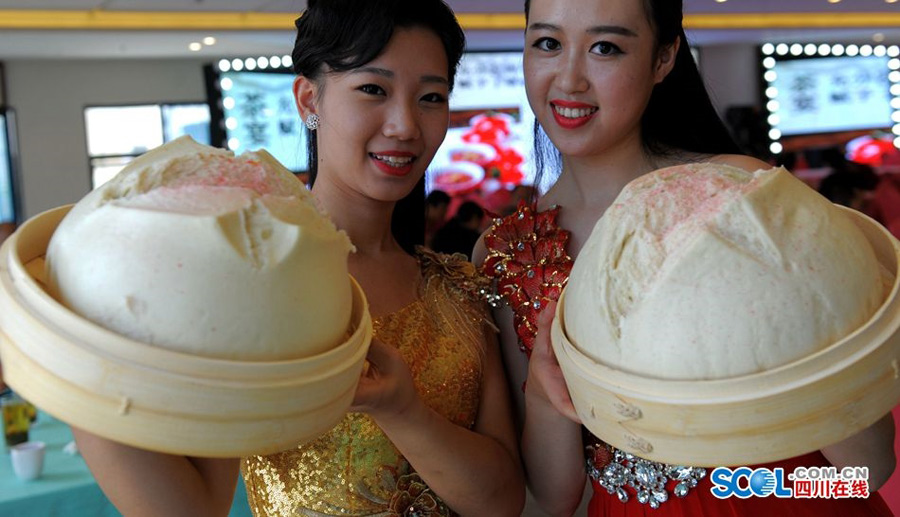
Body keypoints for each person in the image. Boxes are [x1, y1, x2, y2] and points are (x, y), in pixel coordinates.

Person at [72, 1, 525, 516]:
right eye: (373, 89)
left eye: (430, 97)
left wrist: (404, 411)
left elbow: (504, 502)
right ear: (309, 98)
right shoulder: (247, 285)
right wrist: (72, 367)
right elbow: (193, 506)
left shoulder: (461, 290)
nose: (404, 125)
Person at [473, 0, 896, 515]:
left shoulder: (743, 193)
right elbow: (556, 497)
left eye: (605, 47)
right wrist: (545, 395)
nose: (569, 79)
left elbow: (865, 472)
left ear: (664, 57)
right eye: (547, 43)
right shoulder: (505, 252)